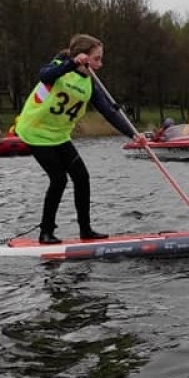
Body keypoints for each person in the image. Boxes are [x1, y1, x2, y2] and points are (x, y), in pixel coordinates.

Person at [15, 34, 144, 244]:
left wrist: (133, 134)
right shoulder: (59, 66)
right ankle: (46, 232)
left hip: (59, 136)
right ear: (82, 56)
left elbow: (109, 112)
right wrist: (71, 63)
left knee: (82, 177)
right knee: (59, 179)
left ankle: (86, 230)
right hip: (35, 132)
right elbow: (44, 75)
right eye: (97, 59)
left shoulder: (90, 84)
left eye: (101, 59)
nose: (100, 64)